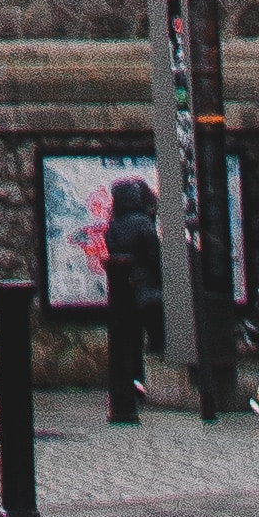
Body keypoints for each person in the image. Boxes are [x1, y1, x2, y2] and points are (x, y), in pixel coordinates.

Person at [102, 170, 166, 423]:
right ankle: (153, 385)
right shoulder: (143, 222)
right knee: (157, 337)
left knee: (129, 340)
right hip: (149, 289)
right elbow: (154, 256)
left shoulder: (114, 225)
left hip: (124, 291)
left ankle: (132, 383)